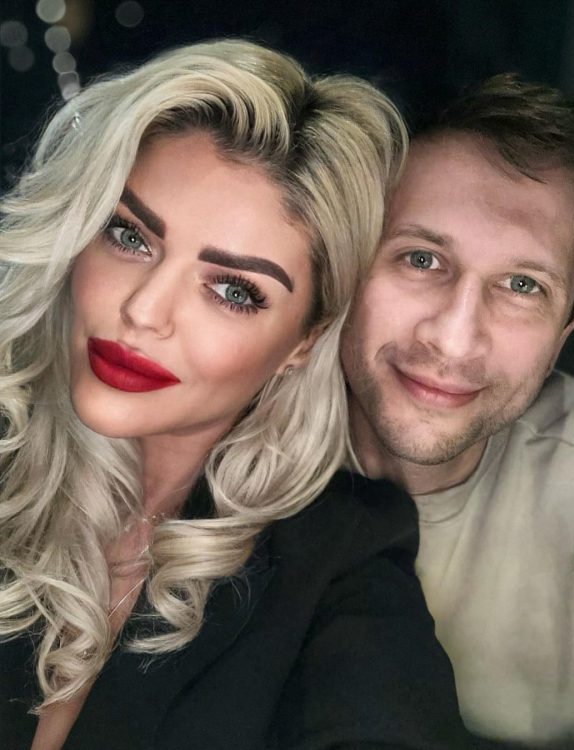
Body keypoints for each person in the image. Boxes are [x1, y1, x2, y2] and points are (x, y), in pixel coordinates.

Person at [0, 39, 469, 750]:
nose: (144, 311)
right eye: (129, 236)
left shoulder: (341, 557)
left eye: (233, 291)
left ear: (304, 340)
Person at [342, 73, 574, 748]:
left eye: (521, 285)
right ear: (350, 259)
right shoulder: (214, 447)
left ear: (570, 324)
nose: (454, 340)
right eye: (421, 259)